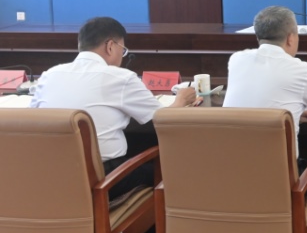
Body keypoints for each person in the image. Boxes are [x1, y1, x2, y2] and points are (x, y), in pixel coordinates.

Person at [30, 16, 199, 199]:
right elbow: (163, 119)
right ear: (110, 46)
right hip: (102, 181)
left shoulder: (48, 76)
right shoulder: (120, 77)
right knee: (168, 168)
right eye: (122, 50)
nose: (122, 56)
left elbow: (32, 118)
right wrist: (181, 100)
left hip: (52, 178)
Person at [224, 5, 307, 149]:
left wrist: (293, 115)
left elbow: (254, 106)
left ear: (257, 36)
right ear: (290, 38)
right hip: (276, 164)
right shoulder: (302, 71)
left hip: (230, 160)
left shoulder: (237, 59)